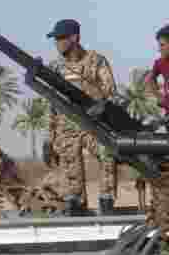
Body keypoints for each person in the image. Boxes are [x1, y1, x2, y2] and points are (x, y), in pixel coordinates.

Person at [43, 19, 120, 215]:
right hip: (66, 129)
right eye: (56, 39)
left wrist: (98, 105)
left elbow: (110, 92)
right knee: (70, 168)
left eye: (61, 38)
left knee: (107, 154)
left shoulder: (96, 61)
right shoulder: (56, 68)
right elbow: (52, 105)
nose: (57, 43)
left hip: (94, 125)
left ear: (75, 38)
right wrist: (49, 138)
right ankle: (76, 203)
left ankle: (106, 199)